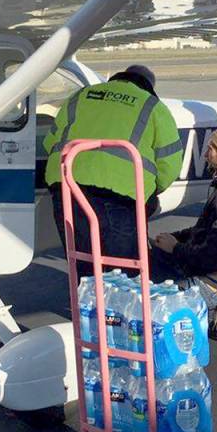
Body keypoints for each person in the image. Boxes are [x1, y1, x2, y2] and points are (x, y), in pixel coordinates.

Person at [43, 65, 183, 275]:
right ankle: (119, 307)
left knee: (84, 262)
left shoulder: (80, 96)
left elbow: (50, 142)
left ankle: (88, 305)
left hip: (66, 186)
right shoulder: (152, 106)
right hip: (119, 196)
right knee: (124, 269)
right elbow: (170, 164)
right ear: (148, 86)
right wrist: (150, 193)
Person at [150, 125, 217, 338]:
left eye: (211, 149)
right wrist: (174, 238)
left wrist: (175, 248)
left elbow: (211, 257)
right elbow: (204, 232)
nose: (206, 154)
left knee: (147, 298)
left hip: (212, 283)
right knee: (158, 254)